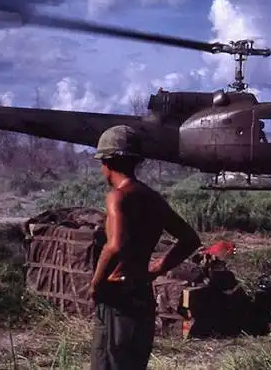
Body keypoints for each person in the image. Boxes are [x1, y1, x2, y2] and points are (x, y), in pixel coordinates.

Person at [89, 125, 201, 370]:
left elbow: (115, 245)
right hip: (142, 294)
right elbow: (190, 240)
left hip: (118, 297)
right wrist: (157, 268)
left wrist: (96, 284)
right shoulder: (153, 198)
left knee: (109, 362)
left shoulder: (117, 197)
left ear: (108, 163)